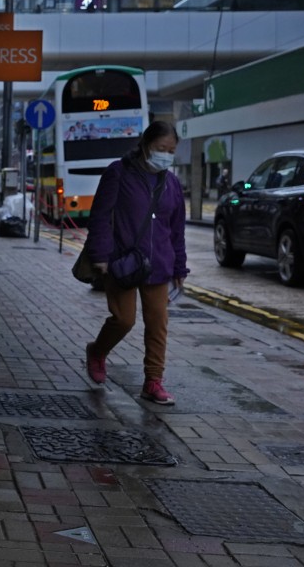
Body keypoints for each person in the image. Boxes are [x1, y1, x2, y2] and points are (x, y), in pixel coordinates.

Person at [83, 120, 188, 405]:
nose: (165, 155)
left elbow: (177, 229)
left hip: (160, 264)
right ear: (144, 145)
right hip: (123, 262)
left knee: (158, 323)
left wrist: (180, 268)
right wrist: (101, 256)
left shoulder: (173, 184)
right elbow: (101, 217)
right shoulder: (119, 172)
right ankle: (97, 351)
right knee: (124, 319)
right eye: (160, 148)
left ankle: (153, 382)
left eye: (171, 150)